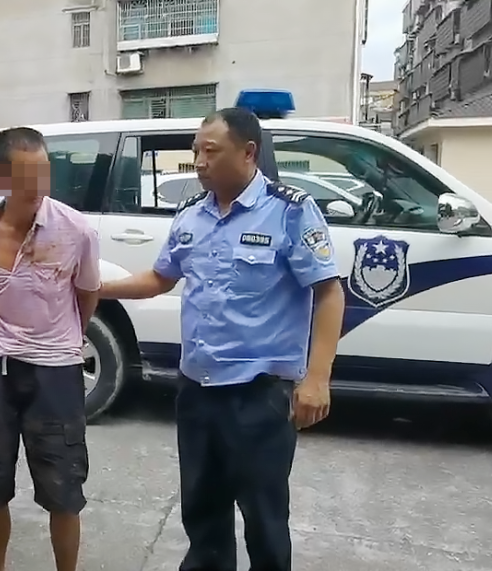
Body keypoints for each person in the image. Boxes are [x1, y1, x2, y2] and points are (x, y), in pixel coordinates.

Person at [99, 108, 345, 571]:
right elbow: (160, 277)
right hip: (197, 391)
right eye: (196, 151)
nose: (199, 162)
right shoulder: (193, 214)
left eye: (210, 151)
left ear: (248, 152)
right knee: (202, 510)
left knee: (264, 518)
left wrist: (317, 378)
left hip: (258, 395)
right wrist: (96, 289)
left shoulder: (290, 211)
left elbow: (329, 293)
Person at [0, 126, 100, 571]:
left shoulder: (76, 230)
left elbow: (87, 295)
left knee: (63, 491)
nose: (38, 186)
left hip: (54, 372)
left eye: (44, 173)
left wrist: (64, 339)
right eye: (25, 177)